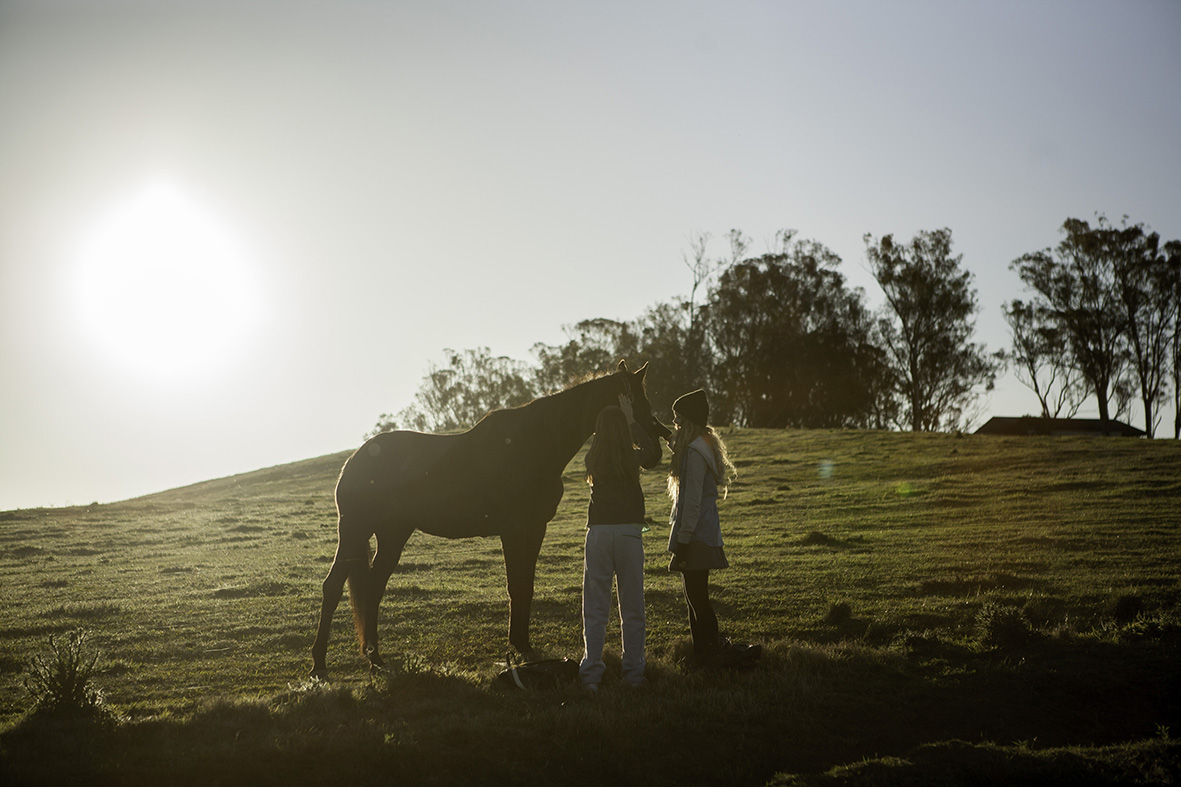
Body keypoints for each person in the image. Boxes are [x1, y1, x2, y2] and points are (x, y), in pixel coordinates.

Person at [579, 393, 661, 691]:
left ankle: (591, 675)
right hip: (628, 533)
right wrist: (632, 421)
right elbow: (652, 451)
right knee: (633, 607)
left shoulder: (593, 457)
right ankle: (634, 675)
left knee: (595, 608)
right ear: (624, 429)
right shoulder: (631, 457)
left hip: (599, 534)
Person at [665, 388, 740, 664]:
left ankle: (710, 654)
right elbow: (677, 443)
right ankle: (702, 653)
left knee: (697, 598)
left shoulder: (695, 454)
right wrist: (657, 431)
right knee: (693, 597)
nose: (675, 423)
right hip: (698, 532)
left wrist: (683, 541)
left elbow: (692, 502)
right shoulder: (698, 446)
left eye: (678, 418)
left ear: (689, 421)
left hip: (695, 535)